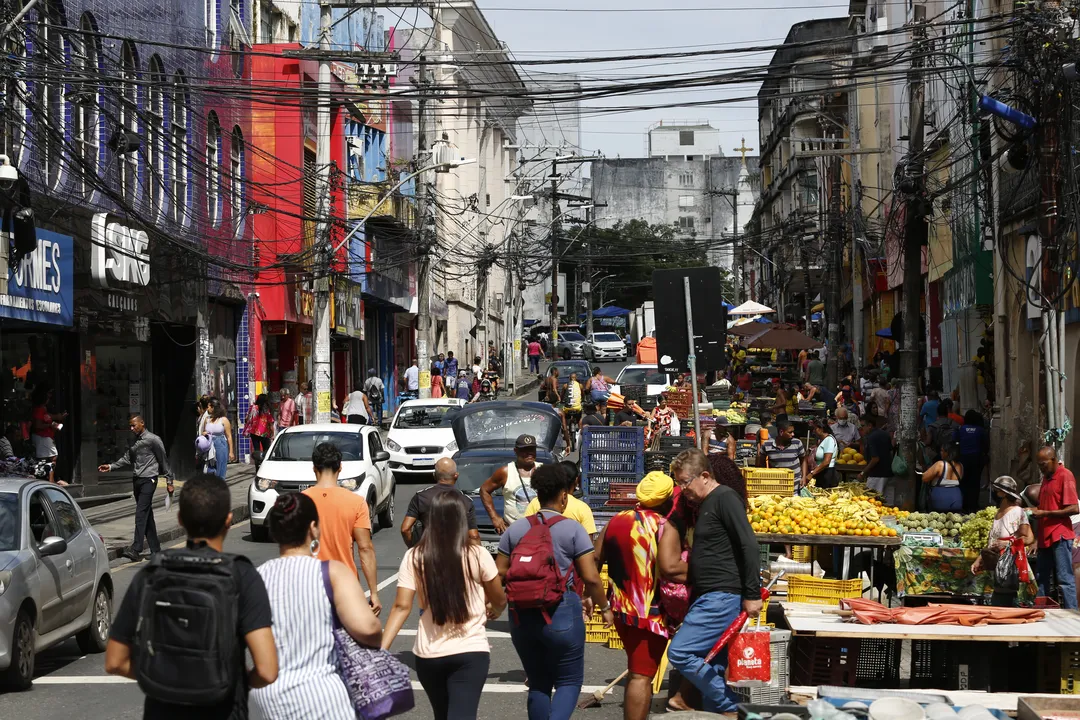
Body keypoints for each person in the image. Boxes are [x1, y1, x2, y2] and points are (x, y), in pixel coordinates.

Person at [105, 473, 279, 718]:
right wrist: (233, 681)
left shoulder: (152, 574)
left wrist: (163, 676)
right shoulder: (241, 575)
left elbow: (115, 661)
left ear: (180, 520)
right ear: (229, 521)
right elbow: (267, 670)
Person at [251, 492, 382, 720]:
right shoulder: (331, 573)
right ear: (313, 528)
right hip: (322, 697)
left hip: (267, 700)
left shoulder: (257, 578)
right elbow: (369, 629)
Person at [496, 465, 612, 720]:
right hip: (562, 610)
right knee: (569, 681)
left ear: (538, 495)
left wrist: (494, 605)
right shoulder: (573, 529)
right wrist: (605, 608)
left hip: (521, 615)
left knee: (538, 682)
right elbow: (591, 576)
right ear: (563, 495)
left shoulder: (516, 529)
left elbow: (499, 574)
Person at [383, 492, 506, 720]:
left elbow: (401, 607)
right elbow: (499, 598)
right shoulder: (478, 555)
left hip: (429, 655)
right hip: (471, 651)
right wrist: (495, 610)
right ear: (461, 520)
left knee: (442, 714)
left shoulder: (415, 556)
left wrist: (381, 650)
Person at [664, 450, 761, 715]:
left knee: (680, 652)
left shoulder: (725, 498)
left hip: (721, 595)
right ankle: (721, 711)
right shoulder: (707, 503)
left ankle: (732, 706)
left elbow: (749, 544)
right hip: (709, 594)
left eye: (685, 482)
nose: (682, 489)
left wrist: (752, 593)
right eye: (678, 483)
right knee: (713, 662)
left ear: (705, 476)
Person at [592, 472, 676, 720]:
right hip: (648, 615)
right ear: (666, 500)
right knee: (641, 675)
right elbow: (670, 568)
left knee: (637, 670)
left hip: (620, 609)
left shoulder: (616, 520)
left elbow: (595, 558)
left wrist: (594, 597)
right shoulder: (663, 526)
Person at [302, 442, 382, 615]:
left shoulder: (301, 502)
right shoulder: (356, 503)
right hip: (345, 587)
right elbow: (365, 548)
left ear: (314, 468)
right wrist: (373, 593)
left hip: (308, 587)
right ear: (340, 467)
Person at [98, 415, 174, 562]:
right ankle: (156, 550)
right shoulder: (133, 441)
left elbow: (163, 460)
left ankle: (136, 549)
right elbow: (127, 458)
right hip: (137, 480)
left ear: (142, 423)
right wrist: (111, 467)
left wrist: (169, 481)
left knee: (140, 513)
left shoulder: (153, 440)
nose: (132, 429)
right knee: (146, 515)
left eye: (134, 425)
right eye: (130, 426)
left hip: (149, 480)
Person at [971, 476, 1035, 607]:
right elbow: (992, 542)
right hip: (998, 568)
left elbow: (1028, 538)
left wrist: (1007, 543)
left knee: (1010, 603)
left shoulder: (1017, 512)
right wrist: (979, 560)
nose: (994, 492)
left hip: (1011, 568)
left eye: (996, 490)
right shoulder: (998, 513)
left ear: (1003, 493)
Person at [1032, 446, 1079, 609]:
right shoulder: (1046, 477)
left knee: (1064, 577)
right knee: (1042, 576)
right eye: (1039, 465)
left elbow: (1074, 508)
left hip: (1060, 534)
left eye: (1043, 464)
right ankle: (1041, 611)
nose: (1041, 468)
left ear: (1053, 460)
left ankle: (1072, 615)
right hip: (1045, 536)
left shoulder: (1065, 476)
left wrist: (1045, 512)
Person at [401, 457, 480, 547]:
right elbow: (473, 536)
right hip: (457, 554)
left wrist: (413, 548)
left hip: (428, 553)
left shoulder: (421, 497)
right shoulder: (466, 501)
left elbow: (405, 529)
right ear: (456, 476)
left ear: (434, 475)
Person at [479, 433, 542, 534]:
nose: (529, 453)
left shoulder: (544, 470)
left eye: (532, 449)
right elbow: (484, 490)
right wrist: (494, 517)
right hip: (513, 531)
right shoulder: (505, 472)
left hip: (539, 531)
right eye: (524, 450)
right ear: (516, 451)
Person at [525, 460, 598, 539]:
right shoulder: (583, 508)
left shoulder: (536, 502)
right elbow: (588, 544)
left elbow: (525, 530)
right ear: (576, 480)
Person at [30, 384, 67, 485]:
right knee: (52, 457)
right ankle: (50, 480)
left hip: (45, 437)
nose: (50, 397)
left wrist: (57, 419)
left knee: (48, 458)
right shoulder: (39, 409)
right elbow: (38, 425)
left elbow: (48, 417)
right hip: (42, 437)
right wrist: (51, 425)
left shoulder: (43, 409)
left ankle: (48, 479)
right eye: (48, 394)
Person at [955, 410, 990, 511]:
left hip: (963, 458)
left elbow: (955, 441)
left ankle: (964, 503)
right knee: (975, 482)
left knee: (963, 481)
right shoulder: (980, 430)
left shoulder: (961, 429)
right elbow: (986, 445)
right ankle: (973, 504)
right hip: (976, 458)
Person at [758, 421, 807, 493]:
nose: (793, 434)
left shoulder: (797, 443)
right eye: (790, 432)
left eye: (793, 432)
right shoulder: (767, 445)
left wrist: (803, 477)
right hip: (776, 487)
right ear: (781, 432)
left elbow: (803, 460)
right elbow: (761, 463)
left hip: (795, 487)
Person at [858, 413, 896, 504]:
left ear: (870, 425)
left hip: (876, 475)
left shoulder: (871, 437)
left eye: (863, 426)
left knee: (871, 502)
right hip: (889, 473)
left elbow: (875, 458)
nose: (861, 429)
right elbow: (890, 451)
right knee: (888, 504)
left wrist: (863, 473)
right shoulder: (885, 434)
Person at [921, 442, 964, 511]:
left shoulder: (940, 464)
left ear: (947, 452)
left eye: (942, 450)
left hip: (941, 500)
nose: (940, 452)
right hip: (957, 499)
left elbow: (924, 478)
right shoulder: (960, 466)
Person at [202, 400, 236, 480]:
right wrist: (204, 433)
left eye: (209, 407)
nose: (207, 409)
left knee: (220, 468)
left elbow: (229, 436)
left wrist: (231, 452)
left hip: (220, 444)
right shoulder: (207, 419)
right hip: (209, 444)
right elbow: (204, 431)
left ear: (213, 407)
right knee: (209, 468)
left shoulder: (224, 420)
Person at [806, 418, 839, 489]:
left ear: (821, 429)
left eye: (815, 429)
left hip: (827, 474)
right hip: (821, 473)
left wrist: (812, 473)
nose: (814, 431)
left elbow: (826, 462)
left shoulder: (829, 440)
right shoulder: (821, 440)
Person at [246, 394, 275, 467]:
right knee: (266, 451)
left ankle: (257, 467)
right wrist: (272, 432)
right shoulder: (267, 409)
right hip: (265, 432)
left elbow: (247, 419)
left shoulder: (253, 407)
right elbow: (270, 422)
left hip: (254, 432)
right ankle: (265, 466)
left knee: (257, 450)